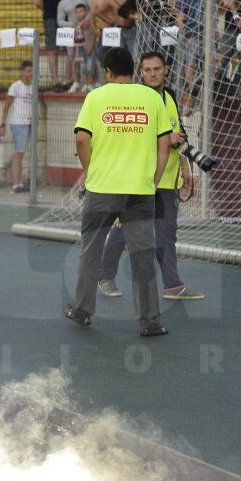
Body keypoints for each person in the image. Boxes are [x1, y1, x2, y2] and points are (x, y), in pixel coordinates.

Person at [66, 47, 171, 336]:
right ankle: (150, 321)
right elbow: (164, 145)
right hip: (140, 190)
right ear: (134, 70)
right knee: (142, 255)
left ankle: (82, 310)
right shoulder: (152, 98)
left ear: (107, 72)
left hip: (102, 188)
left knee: (91, 251)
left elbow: (81, 140)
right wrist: (154, 178)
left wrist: (91, 171)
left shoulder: (96, 98)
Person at [97, 51, 203, 302]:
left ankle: (172, 285)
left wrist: (186, 170)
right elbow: (135, 136)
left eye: (157, 69)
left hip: (167, 180)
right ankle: (104, 275)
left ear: (166, 69)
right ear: (140, 73)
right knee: (125, 229)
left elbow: (180, 134)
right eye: (147, 70)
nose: (153, 73)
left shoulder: (170, 97)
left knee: (166, 232)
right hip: (140, 179)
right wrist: (167, 139)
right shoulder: (136, 99)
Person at [0, 60, 34, 193]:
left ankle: (20, 183)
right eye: (28, 71)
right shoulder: (15, 87)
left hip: (29, 123)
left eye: (32, 71)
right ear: (22, 72)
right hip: (19, 123)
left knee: (21, 154)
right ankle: (16, 184)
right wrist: (3, 124)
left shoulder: (32, 88)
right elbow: (7, 106)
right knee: (18, 154)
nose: (31, 74)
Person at [34, 0, 67, 87]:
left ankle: (68, 78)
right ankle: (55, 79)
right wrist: (49, 9)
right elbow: (37, 1)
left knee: (68, 48)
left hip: (66, 19)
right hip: (51, 18)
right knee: (52, 48)